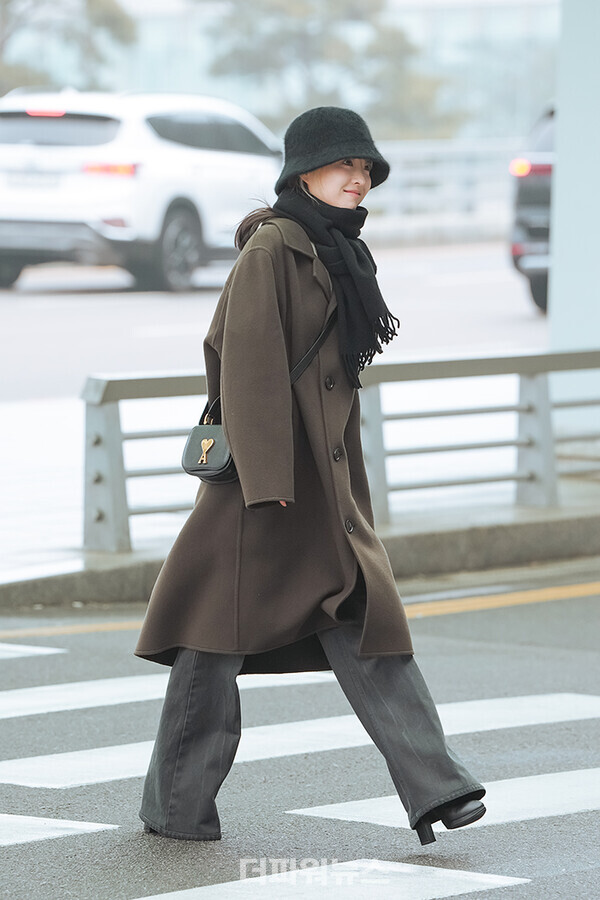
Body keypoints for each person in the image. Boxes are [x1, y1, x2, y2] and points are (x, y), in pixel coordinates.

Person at [134, 106, 486, 846]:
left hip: (318, 487)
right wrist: (267, 484)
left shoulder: (336, 251)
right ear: (303, 173)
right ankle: (176, 807)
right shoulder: (274, 248)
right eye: (344, 166)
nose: (359, 178)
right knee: (211, 646)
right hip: (266, 492)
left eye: (367, 169)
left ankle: (439, 789)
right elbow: (249, 367)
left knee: (362, 622)